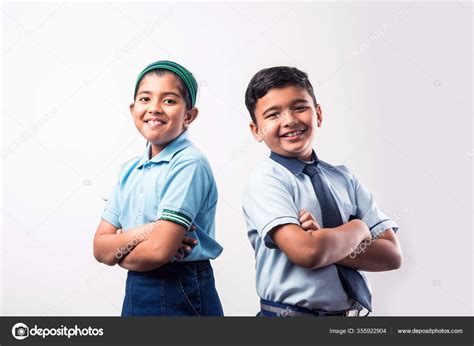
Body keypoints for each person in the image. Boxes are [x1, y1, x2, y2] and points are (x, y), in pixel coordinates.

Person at [242, 66, 402, 317]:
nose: (289, 120)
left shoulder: (344, 178)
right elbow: (307, 252)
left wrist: (327, 242)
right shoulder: (266, 181)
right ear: (256, 131)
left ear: (318, 113)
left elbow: (392, 254)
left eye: (299, 107)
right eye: (273, 115)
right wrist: (357, 229)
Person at [93, 60, 224, 316]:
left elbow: (158, 251)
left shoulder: (189, 163)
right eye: (145, 99)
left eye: (169, 101)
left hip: (182, 289)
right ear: (133, 110)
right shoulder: (129, 170)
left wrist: (119, 251)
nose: (154, 109)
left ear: (189, 115)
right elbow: (100, 248)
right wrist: (150, 230)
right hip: (137, 288)